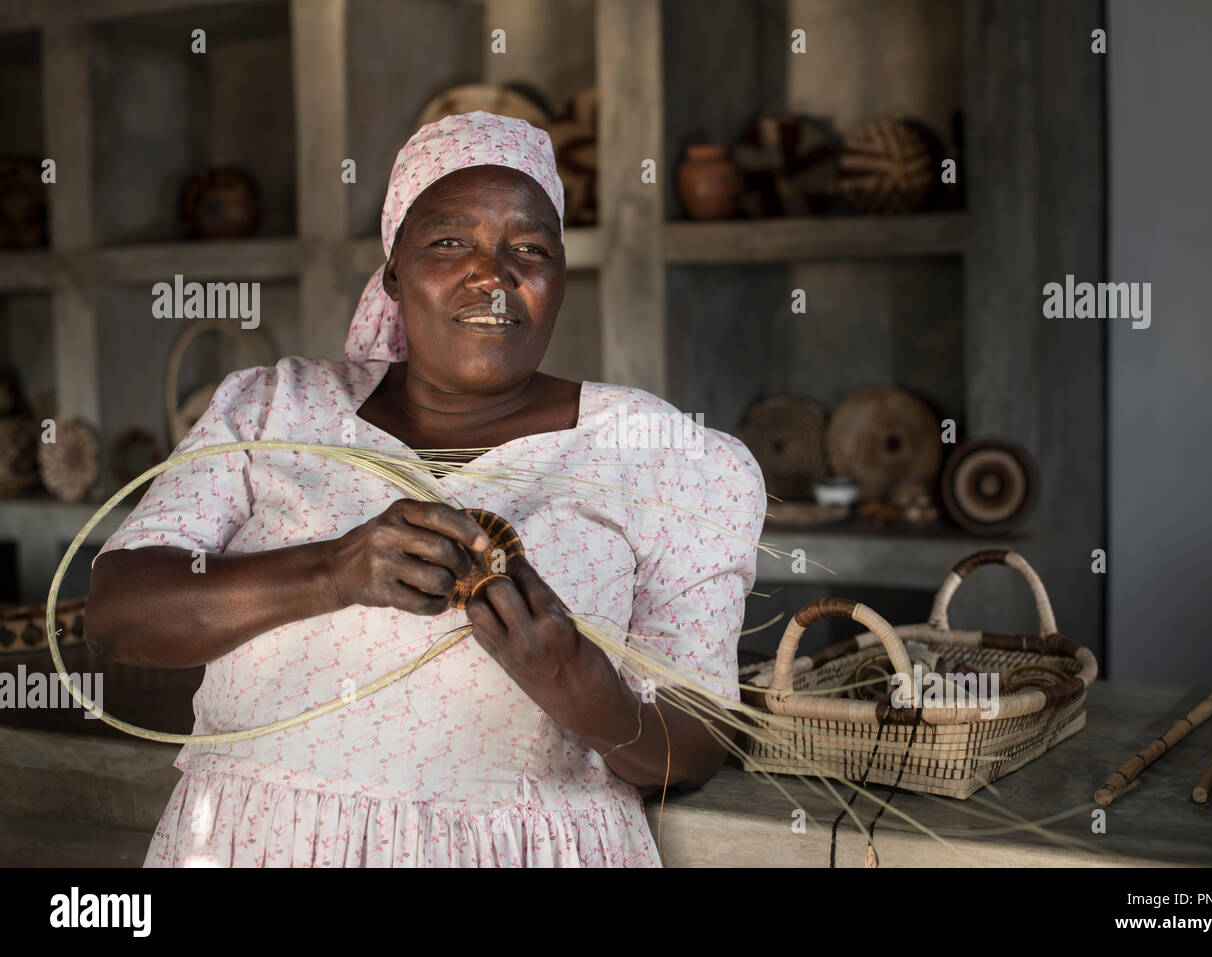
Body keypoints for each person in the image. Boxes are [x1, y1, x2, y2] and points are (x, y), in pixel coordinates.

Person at [84, 110, 767, 867]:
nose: (492, 272)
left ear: (560, 278)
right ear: (393, 271)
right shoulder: (273, 409)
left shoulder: (664, 454)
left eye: (530, 248)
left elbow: (697, 747)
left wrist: (577, 683)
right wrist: (330, 572)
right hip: (258, 843)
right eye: (449, 241)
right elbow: (117, 613)